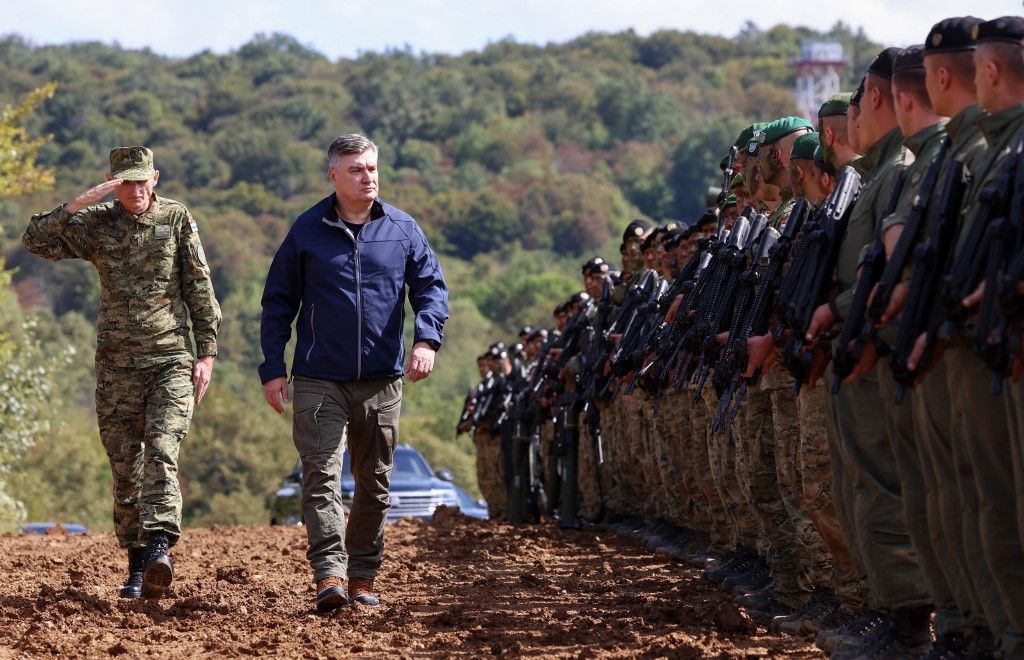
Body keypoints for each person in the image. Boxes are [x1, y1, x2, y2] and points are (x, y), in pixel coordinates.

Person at [258, 133, 448, 612]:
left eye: (372, 168)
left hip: (383, 380)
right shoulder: (306, 232)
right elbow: (277, 304)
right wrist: (272, 369)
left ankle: (362, 575)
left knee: (374, 483)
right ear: (333, 176)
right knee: (320, 476)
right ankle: (329, 575)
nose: (368, 177)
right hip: (319, 378)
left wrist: (426, 339)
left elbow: (431, 288)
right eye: (356, 170)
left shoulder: (402, 229)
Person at [22, 146, 221, 600]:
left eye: (140, 180)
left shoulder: (175, 219)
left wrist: (206, 353)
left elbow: (199, 285)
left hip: (170, 359)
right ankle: (136, 568)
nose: (134, 190)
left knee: (162, 450)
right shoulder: (98, 224)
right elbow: (35, 240)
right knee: (125, 469)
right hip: (115, 369)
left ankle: (158, 549)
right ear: (112, 182)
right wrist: (76, 204)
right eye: (124, 182)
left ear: (155, 177)